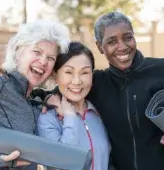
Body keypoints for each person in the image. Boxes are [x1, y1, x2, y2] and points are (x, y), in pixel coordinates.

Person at [33, 11, 164, 170]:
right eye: (112, 41)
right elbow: (64, 87)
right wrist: (49, 97)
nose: (122, 46)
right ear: (100, 47)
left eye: (128, 37)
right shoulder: (96, 83)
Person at [0, 20, 70, 170]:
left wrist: (51, 96)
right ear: (18, 51)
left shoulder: (34, 101)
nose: (43, 61)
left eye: (51, 58)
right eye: (37, 52)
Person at [37, 42, 111, 170]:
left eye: (84, 73)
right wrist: (70, 118)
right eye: (69, 72)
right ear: (56, 76)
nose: (77, 81)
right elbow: (60, 162)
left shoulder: (98, 113)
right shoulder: (47, 118)